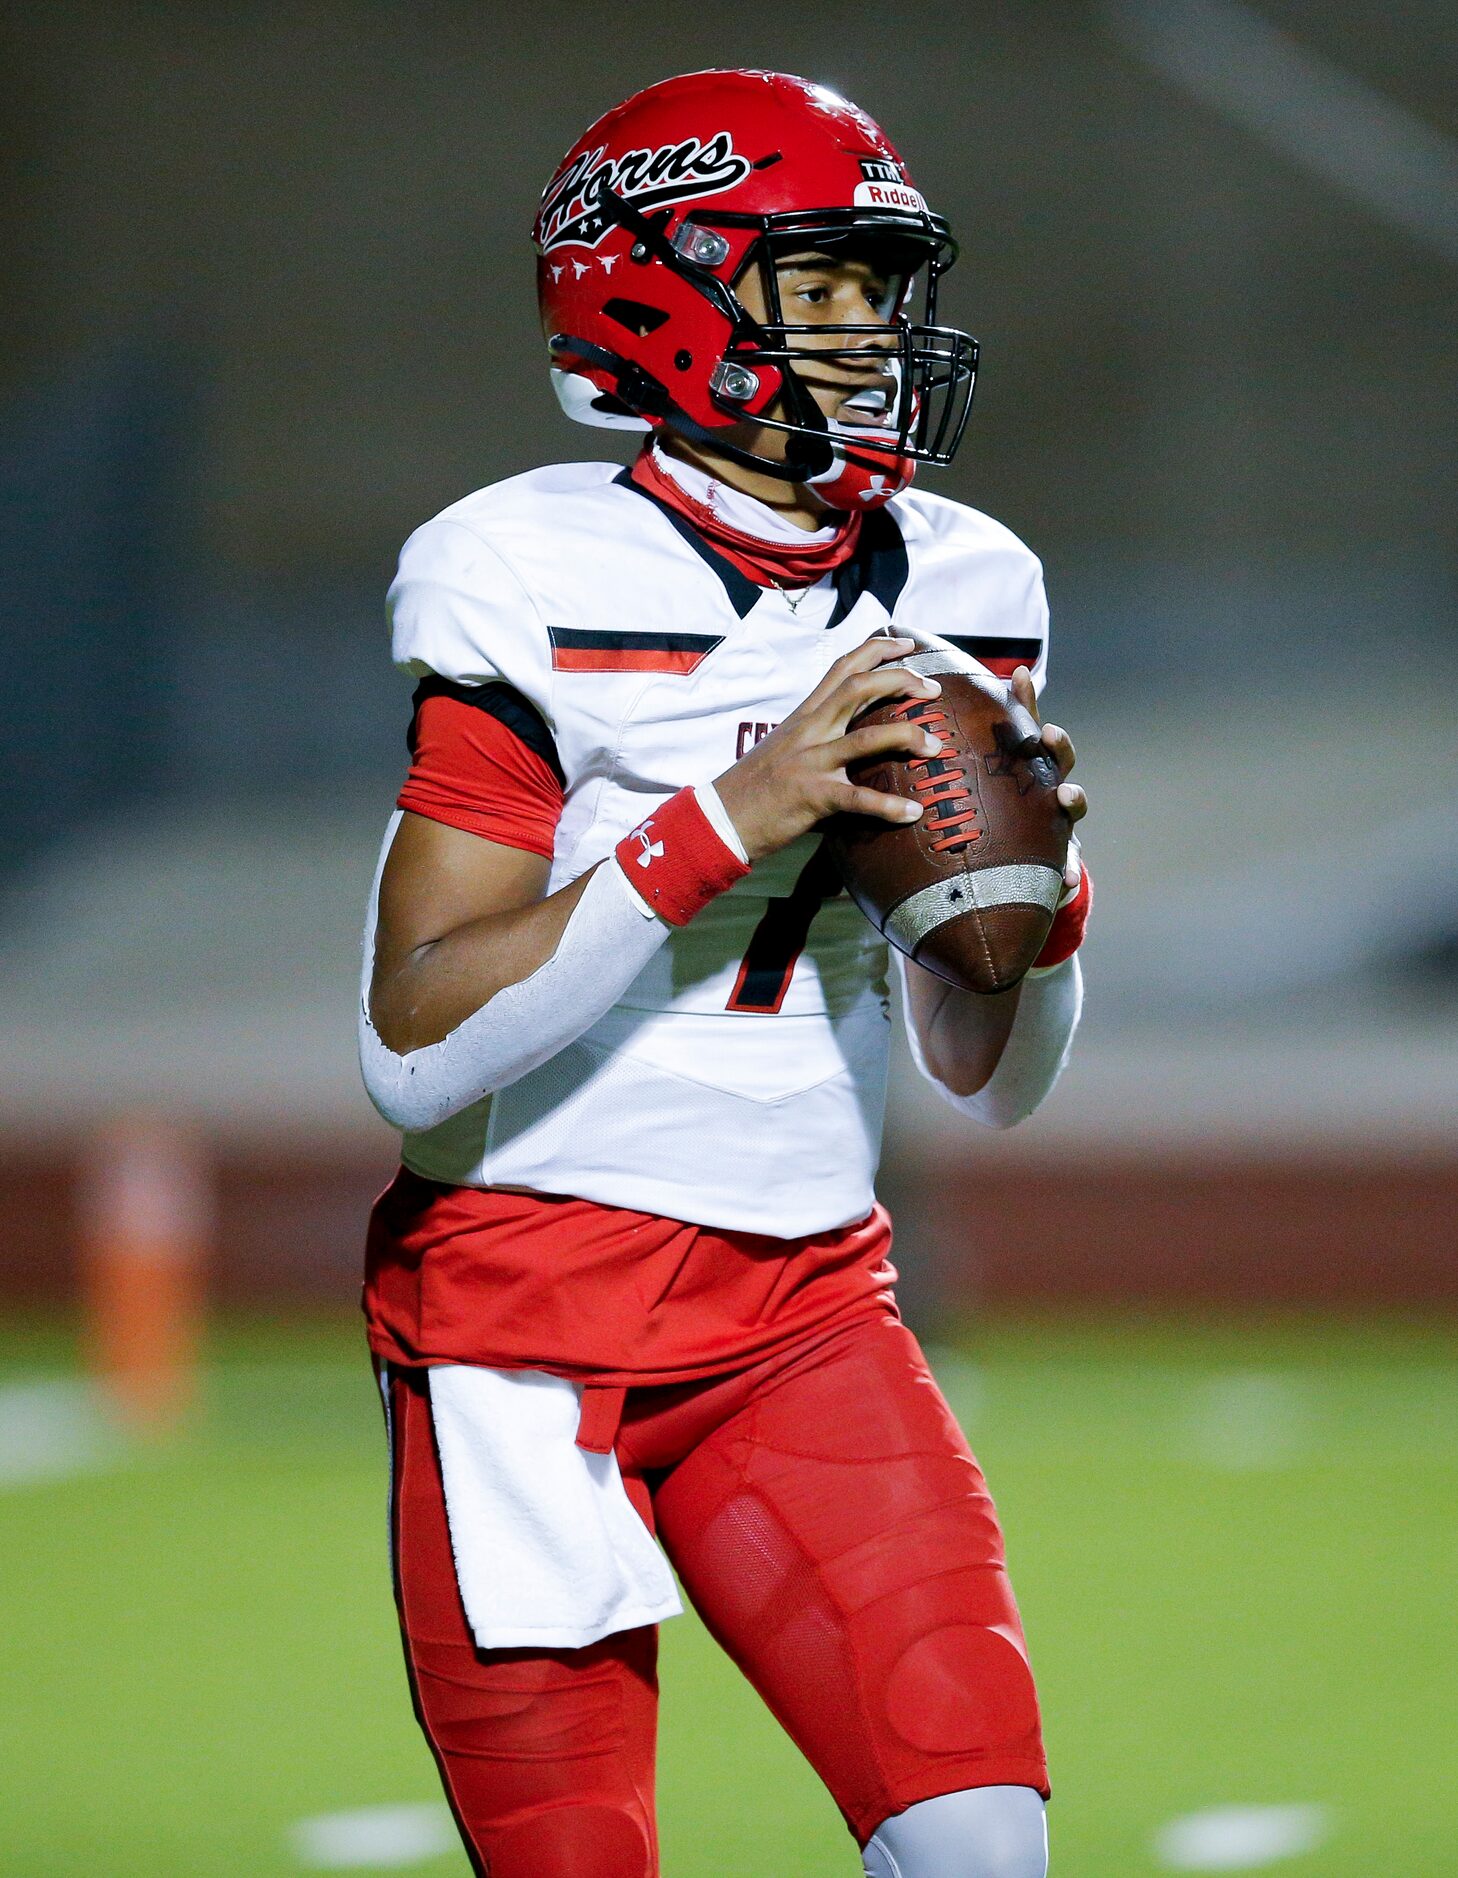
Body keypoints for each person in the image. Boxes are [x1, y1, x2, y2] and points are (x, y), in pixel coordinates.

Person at [358, 68, 1091, 1878]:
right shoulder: (524, 565)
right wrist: (727, 809)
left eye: (882, 289)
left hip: (808, 1310)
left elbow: (989, 1076)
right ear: (655, 287)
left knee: (985, 1847)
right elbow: (411, 1044)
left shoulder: (971, 579)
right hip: (519, 1330)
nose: (875, 339)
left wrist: (1044, 908)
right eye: (821, 289)